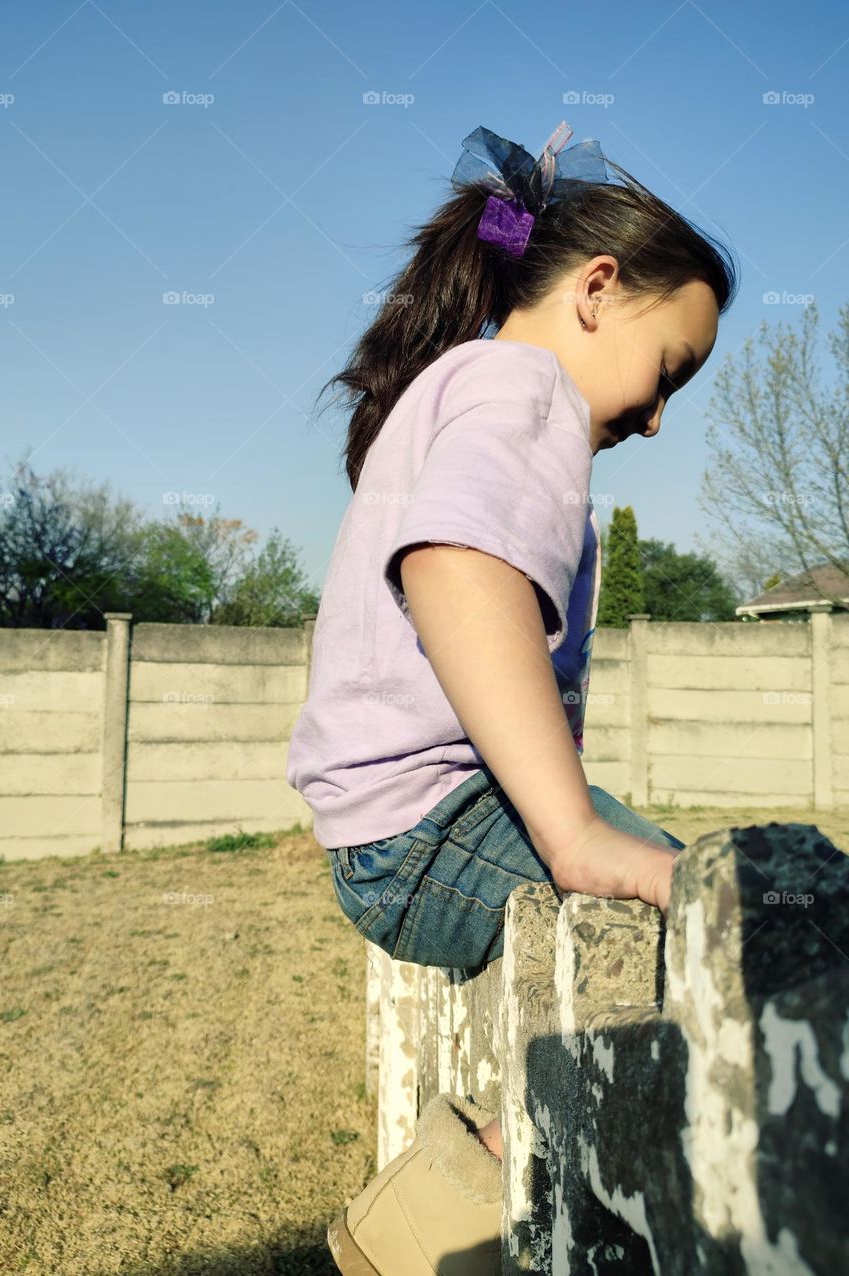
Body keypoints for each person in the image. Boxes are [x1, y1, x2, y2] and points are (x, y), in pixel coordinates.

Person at [286, 120, 737, 1276]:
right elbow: (456, 566)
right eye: (668, 371)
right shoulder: (525, 389)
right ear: (597, 287)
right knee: (726, 938)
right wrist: (574, 829)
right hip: (432, 829)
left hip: (394, 837)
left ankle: (442, 1198)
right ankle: (473, 1215)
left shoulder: (467, 382)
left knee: (675, 891)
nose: (654, 417)